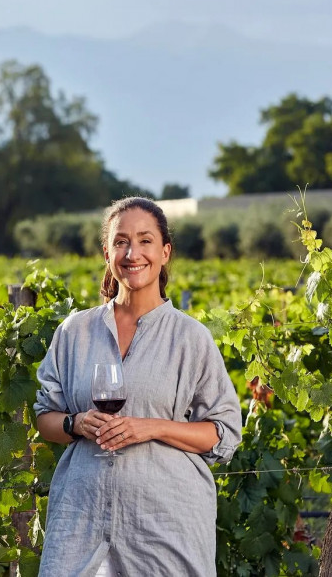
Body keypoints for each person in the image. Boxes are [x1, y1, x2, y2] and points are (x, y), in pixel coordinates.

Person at [34, 197, 242, 576]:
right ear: (107, 252)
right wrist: (76, 423)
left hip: (165, 526)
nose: (133, 253)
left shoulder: (190, 338)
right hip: (81, 521)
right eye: (121, 242)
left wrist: (153, 427)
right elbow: (45, 417)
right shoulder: (74, 332)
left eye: (145, 241)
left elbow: (222, 434)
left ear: (165, 252)